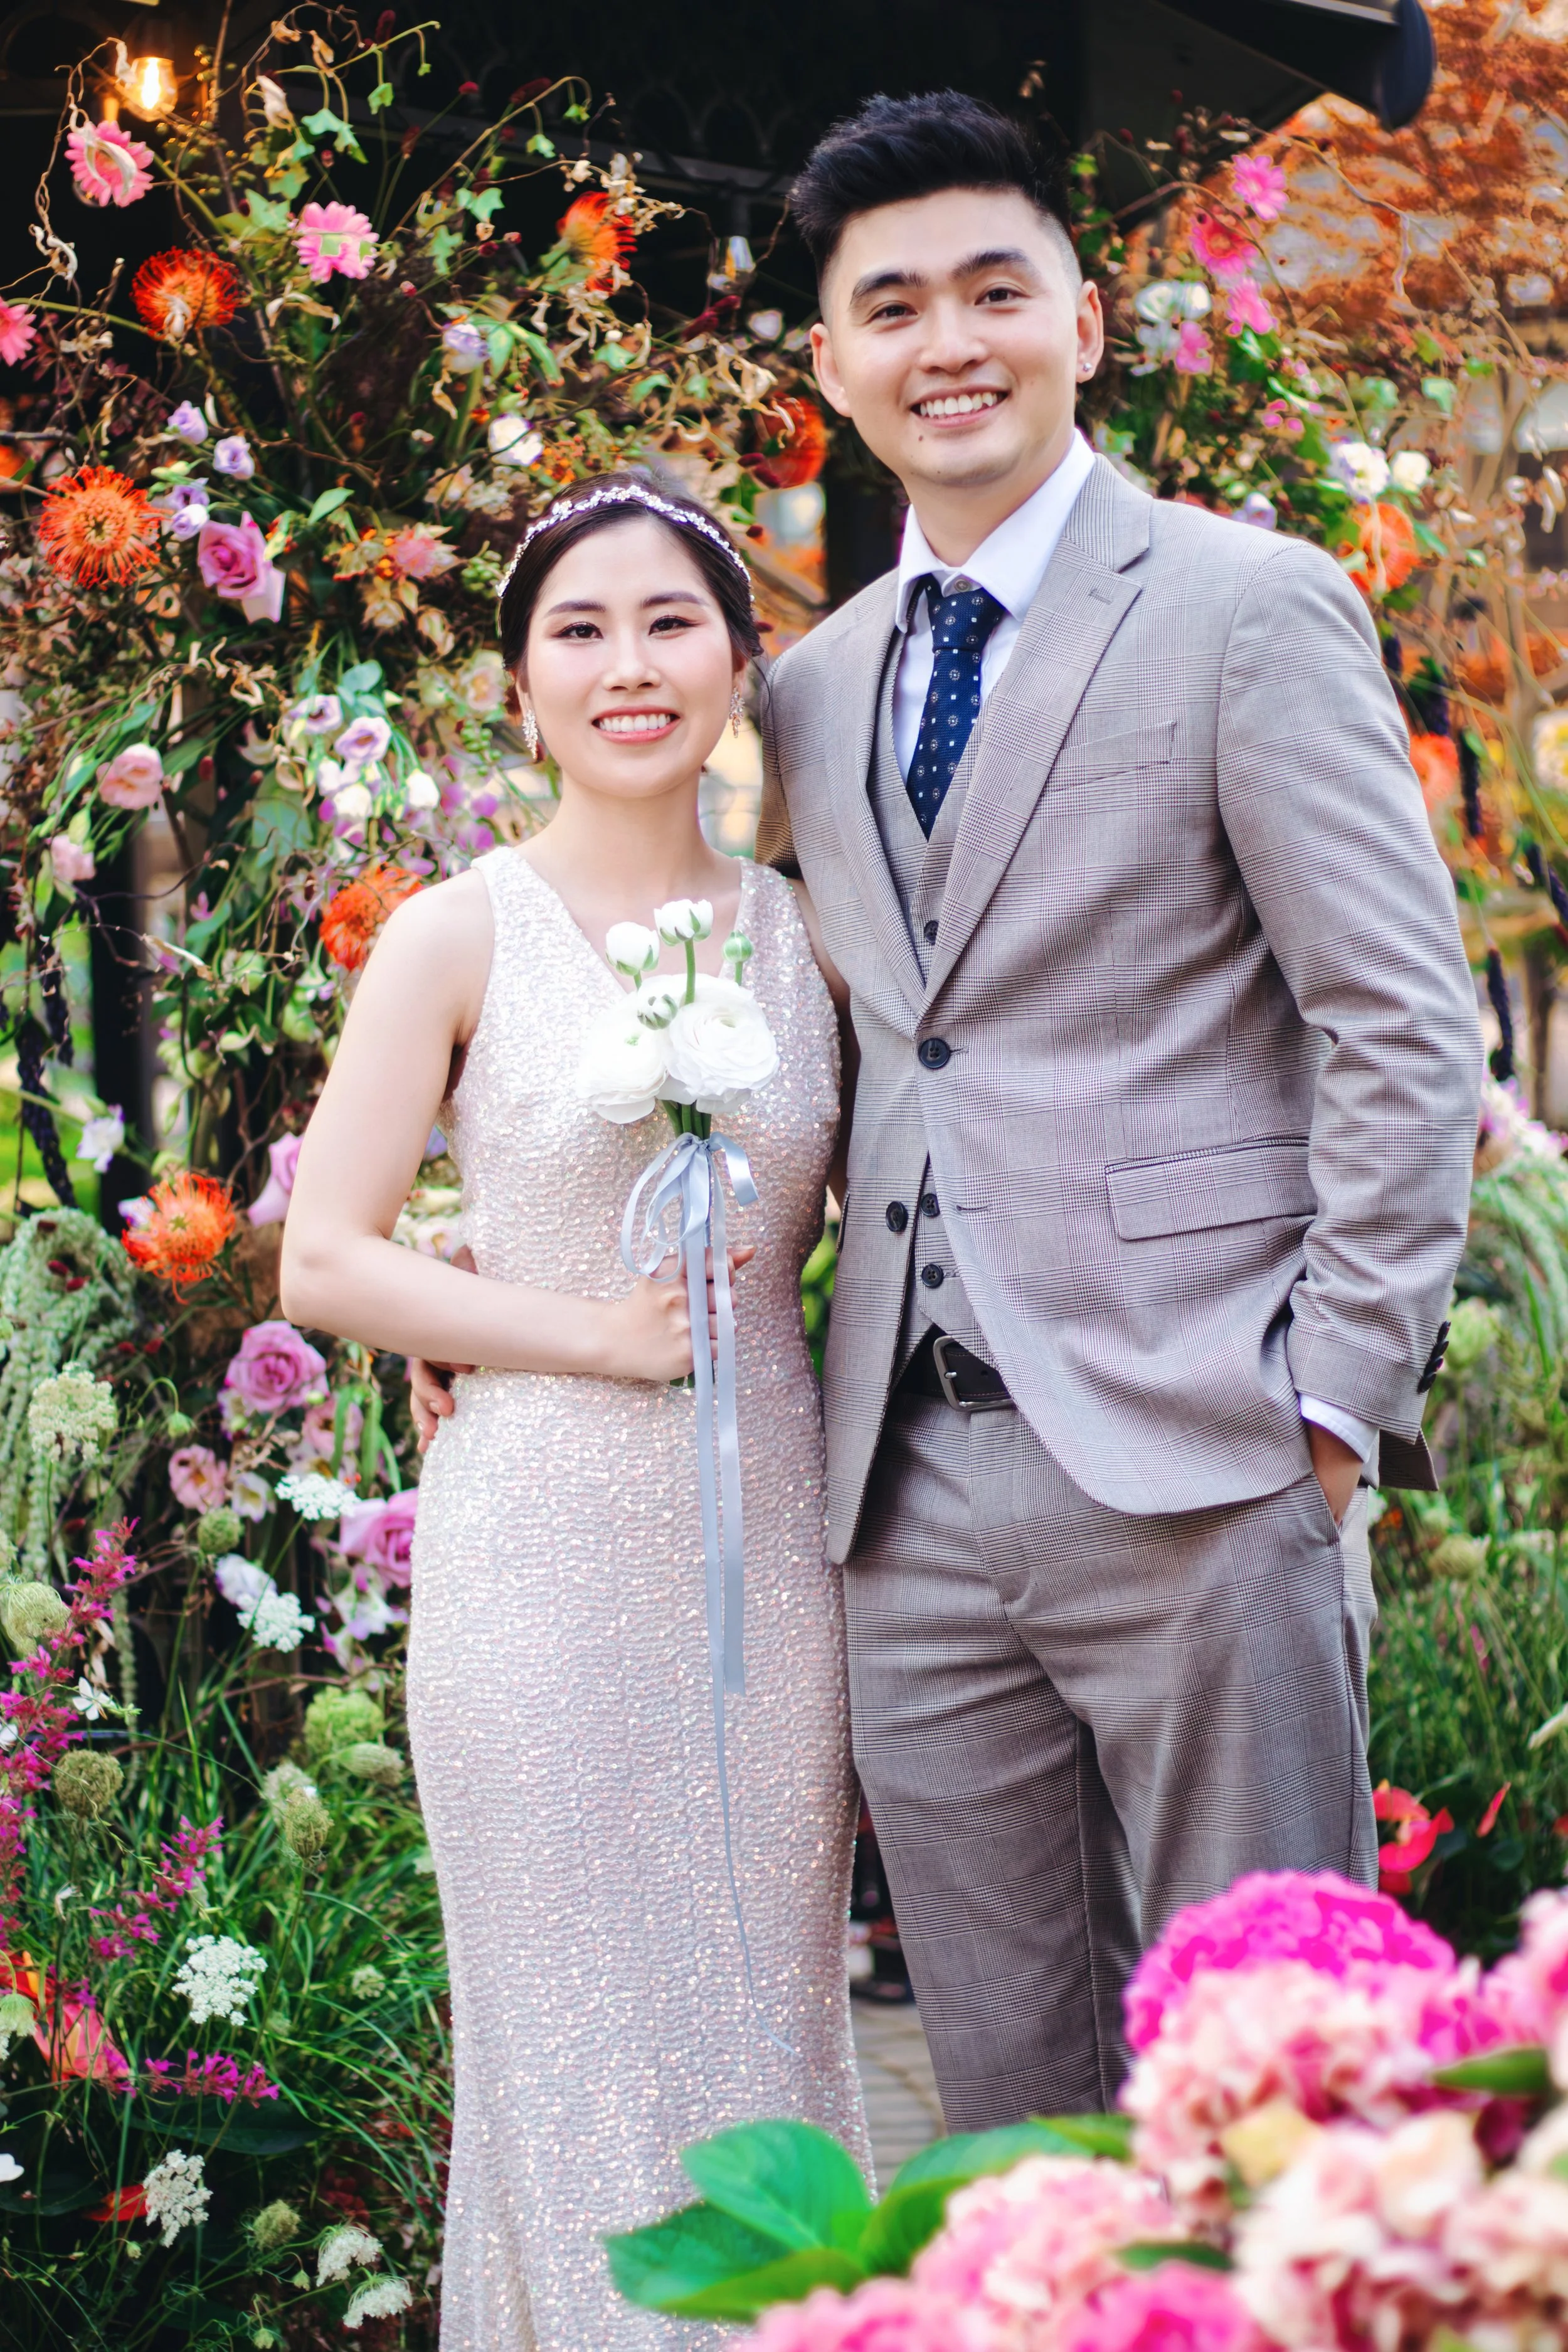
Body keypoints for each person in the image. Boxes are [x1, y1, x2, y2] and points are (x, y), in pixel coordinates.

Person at [745, 92, 1483, 2126]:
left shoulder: (1245, 608)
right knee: (1004, 2105)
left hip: (1202, 1448)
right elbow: (823, 1051)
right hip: (901, 1495)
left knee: (1268, 2086)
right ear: (831, 363)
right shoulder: (813, 691)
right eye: (889, 306)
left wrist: (1331, 1402)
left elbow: (1406, 1021)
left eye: (996, 290)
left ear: (1085, 321)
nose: (946, 340)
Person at [280, 473, 870, 2352]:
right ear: (517, 688)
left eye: (670, 621)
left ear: (737, 661)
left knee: (768, 2020)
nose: (630, 665)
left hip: (769, 1563)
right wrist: (568, 1332)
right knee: (568, 2051)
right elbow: (323, 1259)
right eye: (579, 631)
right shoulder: (457, 933)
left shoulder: (809, 938)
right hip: (533, 1564)